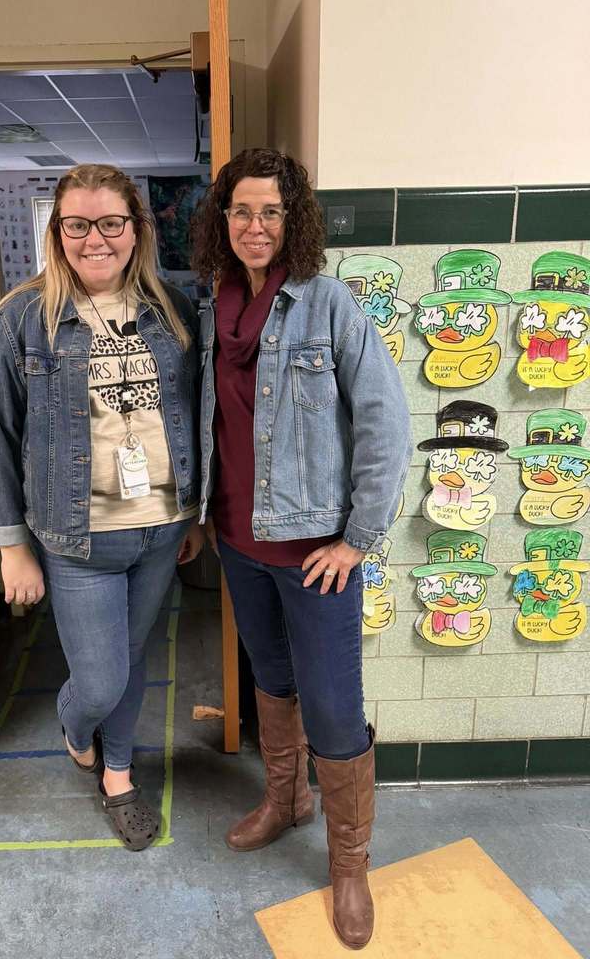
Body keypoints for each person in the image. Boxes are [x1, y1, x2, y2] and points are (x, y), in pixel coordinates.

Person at [191, 148, 412, 948]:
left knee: (333, 709)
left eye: (271, 212)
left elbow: (388, 425)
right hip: (238, 541)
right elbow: (206, 423)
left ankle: (349, 866)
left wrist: (358, 540)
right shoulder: (211, 304)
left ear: (294, 221)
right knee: (272, 684)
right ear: (224, 220)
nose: (255, 225)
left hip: (317, 553)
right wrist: (200, 513)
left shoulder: (329, 306)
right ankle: (286, 800)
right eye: (242, 211)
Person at [0, 164, 203, 851]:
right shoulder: (19, 322)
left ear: (137, 230)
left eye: (110, 223)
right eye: (77, 224)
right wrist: (11, 545)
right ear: (57, 231)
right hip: (77, 540)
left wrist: (195, 514)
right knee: (99, 680)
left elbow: (194, 414)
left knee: (132, 664)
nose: (94, 239)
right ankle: (77, 729)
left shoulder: (173, 311)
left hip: (160, 530)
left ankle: (120, 777)